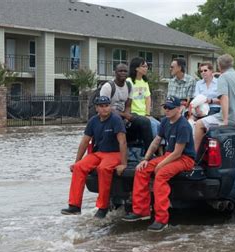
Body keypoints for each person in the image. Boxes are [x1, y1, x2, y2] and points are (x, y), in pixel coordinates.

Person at [122, 96, 196, 232]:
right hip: (169, 155)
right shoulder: (165, 122)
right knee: (141, 170)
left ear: (179, 109)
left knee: (161, 175)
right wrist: (145, 159)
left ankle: (162, 219)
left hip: (185, 158)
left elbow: (178, 153)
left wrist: (160, 165)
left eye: (170, 108)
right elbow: (156, 141)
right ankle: (141, 211)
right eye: (165, 107)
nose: (166, 110)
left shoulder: (184, 125)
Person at [61, 96, 127, 219]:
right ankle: (74, 206)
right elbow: (85, 142)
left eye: (107, 105)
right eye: (101, 106)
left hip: (114, 153)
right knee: (79, 167)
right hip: (99, 153)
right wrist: (77, 162)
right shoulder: (93, 121)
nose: (105, 108)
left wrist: (123, 163)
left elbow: (122, 142)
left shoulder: (116, 120)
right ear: (96, 108)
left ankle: (103, 206)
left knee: (103, 169)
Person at [193, 54, 235, 152]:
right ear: (232, 64)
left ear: (219, 65)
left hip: (233, 118)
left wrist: (225, 120)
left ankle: (193, 156)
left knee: (199, 124)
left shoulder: (223, 77)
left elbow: (224, 98)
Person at [100, 64, 153, 152]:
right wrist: (124, 115)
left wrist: (127, 117)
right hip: (109, 116)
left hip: (123, 114)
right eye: (120, 71)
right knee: (118, 120)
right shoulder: (108, 87)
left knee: (145, 121)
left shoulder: (129, 86)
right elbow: (104, 107)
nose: (123, 73)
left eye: (125, 71)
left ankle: (149, 153)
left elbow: (128, 105)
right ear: (115, 73)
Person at [127, 57, 160, 138]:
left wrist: (147, 114)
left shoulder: (144, 82)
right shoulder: (129, 81)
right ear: (136, 68)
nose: (146, 68)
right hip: (134, 114)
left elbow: (148, 98)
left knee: (159, 125)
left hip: (144, 114)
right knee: (153, 126)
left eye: (146, 66)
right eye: (143, 66)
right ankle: (152, 149)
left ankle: (160, 149)